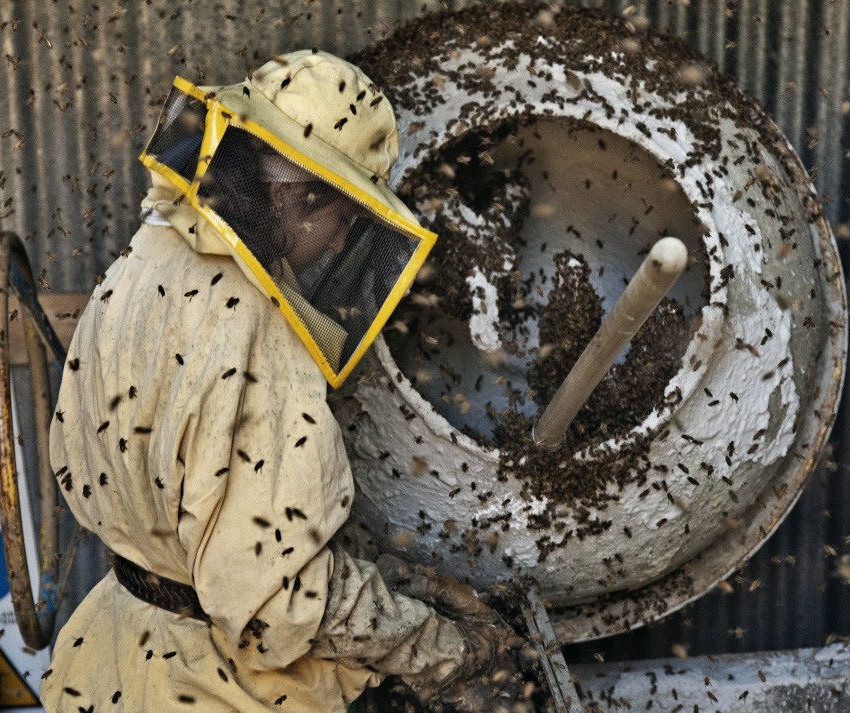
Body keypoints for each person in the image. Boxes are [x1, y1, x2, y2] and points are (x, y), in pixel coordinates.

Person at [40, 50, 524, 712]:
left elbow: (210, 510)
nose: (339, 243)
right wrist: (440, 647)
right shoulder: (258, 337)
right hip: (217, 687)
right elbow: (272, 601)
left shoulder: (153, 248)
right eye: (344, 217)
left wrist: (390, 581)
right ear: (294, 198)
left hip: (114, 652)